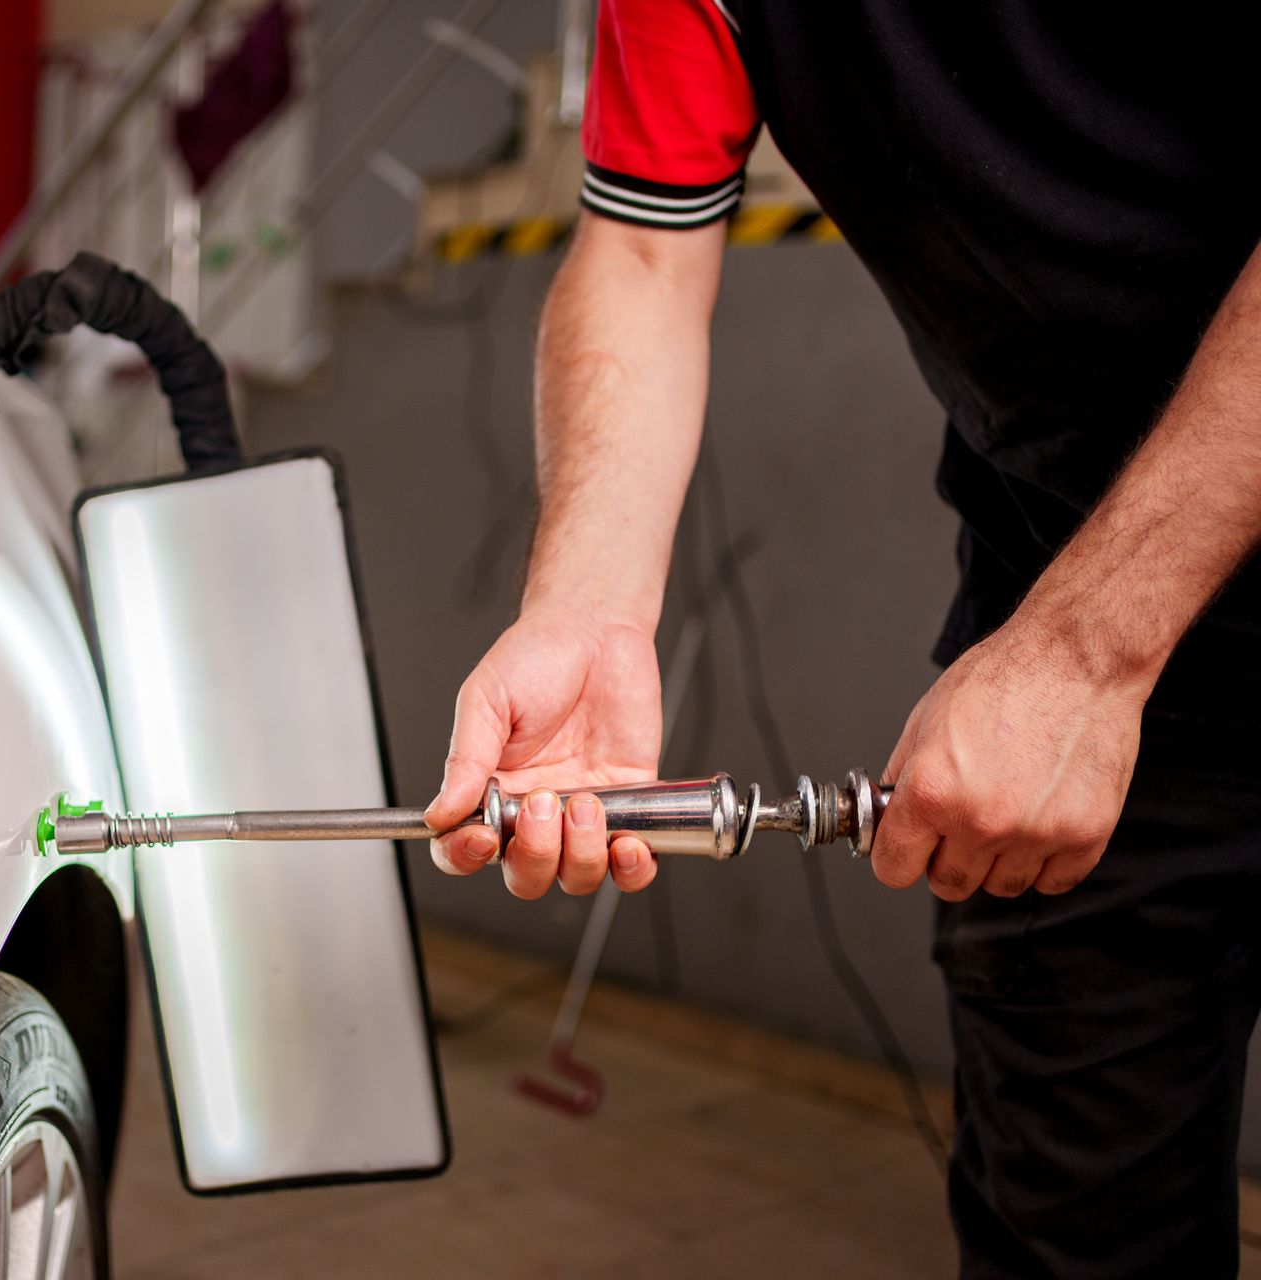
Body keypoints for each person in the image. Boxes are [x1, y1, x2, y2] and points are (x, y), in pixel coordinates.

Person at [424, 3, 1261, 1276]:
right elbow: (642, 257)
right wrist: (585, 606)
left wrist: (1093, 652)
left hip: (1091, 629)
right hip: (1051, 600)